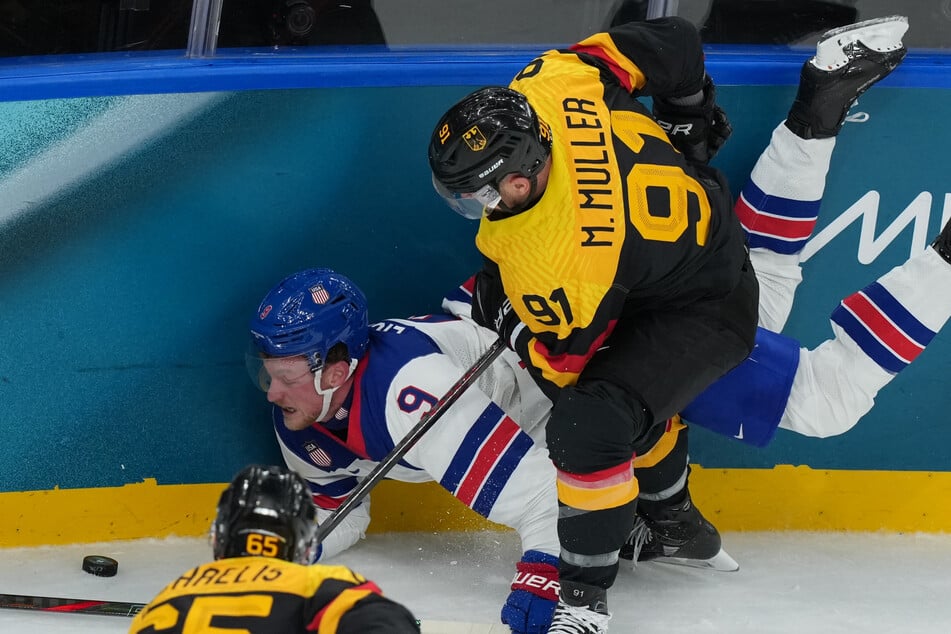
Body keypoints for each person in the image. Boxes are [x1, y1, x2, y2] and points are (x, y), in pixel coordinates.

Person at [245, 16, 921, 634]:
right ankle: (819, 106)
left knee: (817, 396)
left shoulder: (557, 266)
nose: (472, 208)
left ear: (518, 181)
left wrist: (554, 569)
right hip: (680, 220)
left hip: (681, 298)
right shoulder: (550, 84)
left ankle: (931, 250)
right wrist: (687, 116)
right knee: (754, 281)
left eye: (477, 194)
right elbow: (675, 41)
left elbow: (569, 376)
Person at [127, 464, 420, 634]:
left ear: (219, 537)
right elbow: (389, 626)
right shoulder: (319, 586)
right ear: (304, 544)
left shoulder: (168, 599)